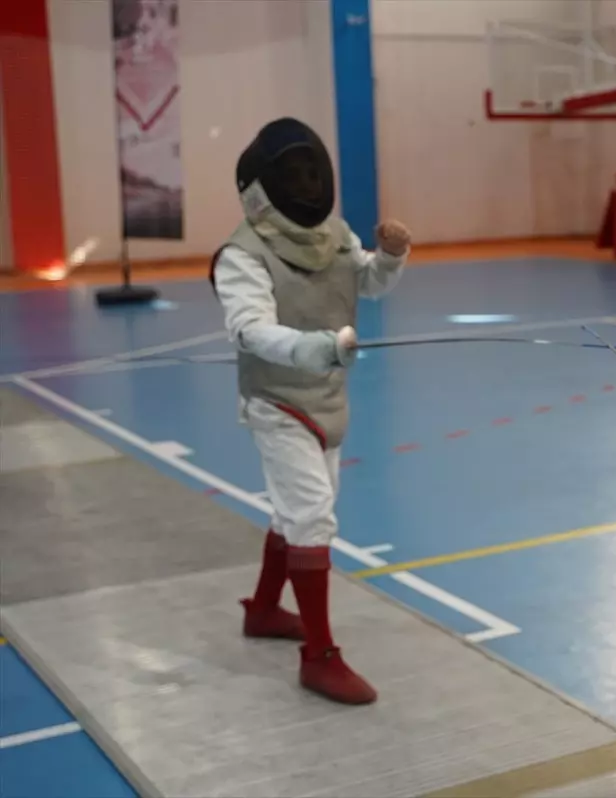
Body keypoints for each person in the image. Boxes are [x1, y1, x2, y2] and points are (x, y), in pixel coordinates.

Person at [211, 117, 411, 705]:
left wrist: (391, 256)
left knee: (294, 513)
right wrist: (318, 348)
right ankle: (319, 656)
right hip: (277, 399)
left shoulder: (332, 234)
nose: (303, 183)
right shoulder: (240, 256)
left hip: (326, 396)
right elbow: (250, 331)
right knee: (312, 516)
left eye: (308, 172)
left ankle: (267, 610)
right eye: (290, 174)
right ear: (262, 187)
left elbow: (366, 281)